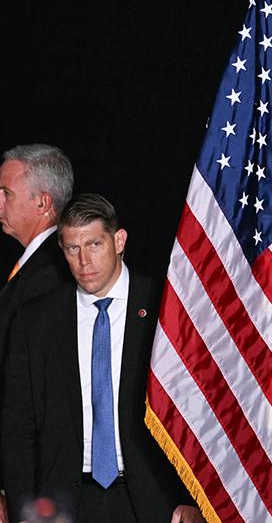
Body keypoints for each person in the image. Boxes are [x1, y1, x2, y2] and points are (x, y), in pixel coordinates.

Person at [1, 194, 203, 523]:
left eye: (94, 244)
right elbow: (17, 423)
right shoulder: (35, 320)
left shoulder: (164, 309)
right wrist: (25, 508)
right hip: (61, 504)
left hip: (152, 502)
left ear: (119, 240)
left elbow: (195, 409)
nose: (84, 261)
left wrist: (190, 499)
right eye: (72, 248)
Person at [0, 144, 74, 523]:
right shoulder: (32, 270)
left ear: (44, 203)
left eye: (7, 194)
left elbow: (35, 398)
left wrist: (10, 489)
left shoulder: (50, 276)